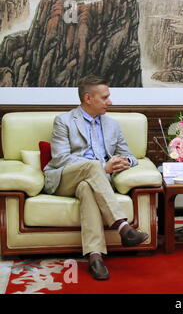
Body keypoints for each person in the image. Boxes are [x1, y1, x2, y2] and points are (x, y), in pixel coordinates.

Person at [43, 75, 150, 280]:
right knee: (92, 167)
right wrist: (103, 167)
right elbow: (61, 158)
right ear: (88, 98)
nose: (110, 102)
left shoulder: (112, 125)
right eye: (105, 97)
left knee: (86, 188)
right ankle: (122, 226)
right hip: (64, 179)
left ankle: (95, 257)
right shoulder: (63, 121)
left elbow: (130, 154)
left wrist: (125, 162)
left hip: (92, 183)